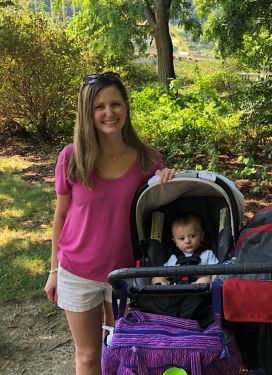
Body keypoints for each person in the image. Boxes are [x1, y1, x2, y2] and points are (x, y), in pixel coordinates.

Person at [43, 72, 176, 375]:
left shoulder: (148, 160)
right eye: (99, 106)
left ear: (126, 107)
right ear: (87, 112)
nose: (108, 113)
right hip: (78, 272)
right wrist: (54, 271)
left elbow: (162, 212)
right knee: (89, 356)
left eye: (115, 104)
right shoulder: (71, 159)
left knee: (125, 351)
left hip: (127, 273)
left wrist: (170, 177)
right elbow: (60, 217)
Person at [151, 214, 218, 285]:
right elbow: (164, 273)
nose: (187, 241)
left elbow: (216, 272)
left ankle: (195, 288)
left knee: (205, 279)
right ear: (175, 242)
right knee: (156, 278)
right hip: (177, 286)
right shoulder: (174, 258)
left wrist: (215, 281)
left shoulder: (207, 254)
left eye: (192, 236)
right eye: (182, 238)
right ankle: (163, 290)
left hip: (198, 283)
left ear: (202, 236)